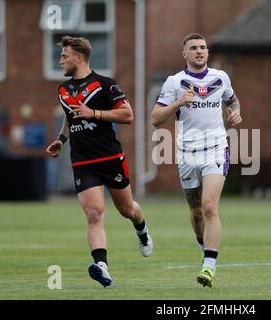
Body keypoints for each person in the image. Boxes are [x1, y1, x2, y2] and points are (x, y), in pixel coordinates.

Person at [46, 36, 153, 288]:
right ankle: (102, 266)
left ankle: (142, 230)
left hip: (110, 157)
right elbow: (70, 117)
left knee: (127, 210)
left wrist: (94, 113)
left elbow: (128, 115)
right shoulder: (63, 89)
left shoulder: (105, 85)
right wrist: (61, 139)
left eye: (65, 56)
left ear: (79, 58)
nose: (61, 60)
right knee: (94, 213)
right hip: (82, 161)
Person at [151, 33, 242, 287]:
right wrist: (178, 102)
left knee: (210, 207)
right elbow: (155, 119)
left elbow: (232, 100)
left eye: (203, 47)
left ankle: (209, 265)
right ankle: (203, 246)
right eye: (193, 48)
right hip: (186, 153)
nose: (199, 51)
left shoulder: (220, 77)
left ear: (207, 52)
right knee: (195, 213)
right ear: (185, 54)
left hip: (215, 148)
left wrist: (235, 114)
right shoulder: (175, 82)